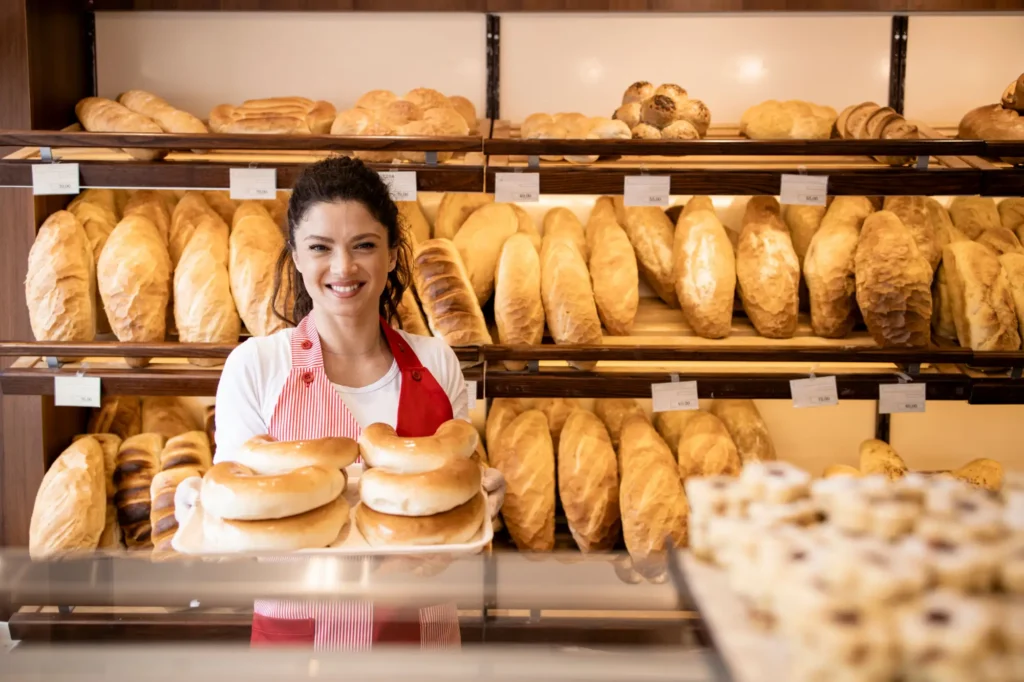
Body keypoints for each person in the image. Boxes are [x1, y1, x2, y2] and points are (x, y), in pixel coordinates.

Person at [212, 156, 503, 650]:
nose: (343, 268)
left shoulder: (436, 362)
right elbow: (234, 527)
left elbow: (460, 483)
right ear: (297, 256)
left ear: (391, 254)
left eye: (364, 245)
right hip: (296, 640)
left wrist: (480, 501)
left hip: (418, 634)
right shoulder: (256, 366)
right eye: (320, 248)